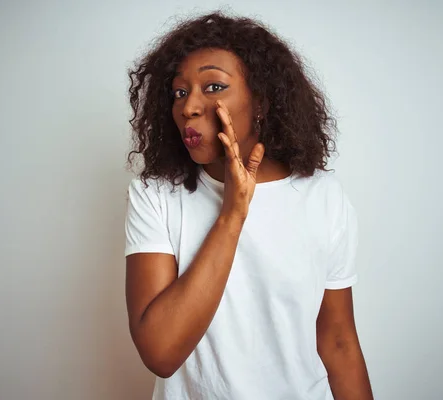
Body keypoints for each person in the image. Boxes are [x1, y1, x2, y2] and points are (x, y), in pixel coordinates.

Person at [124, 11, 373, 400]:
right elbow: (160, 350)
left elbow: (338, 342)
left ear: (261, 101)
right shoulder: (156, 195)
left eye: (213, 87)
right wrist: (232, 214)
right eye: (179, 92)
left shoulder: (321, 195)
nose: (188, 106)